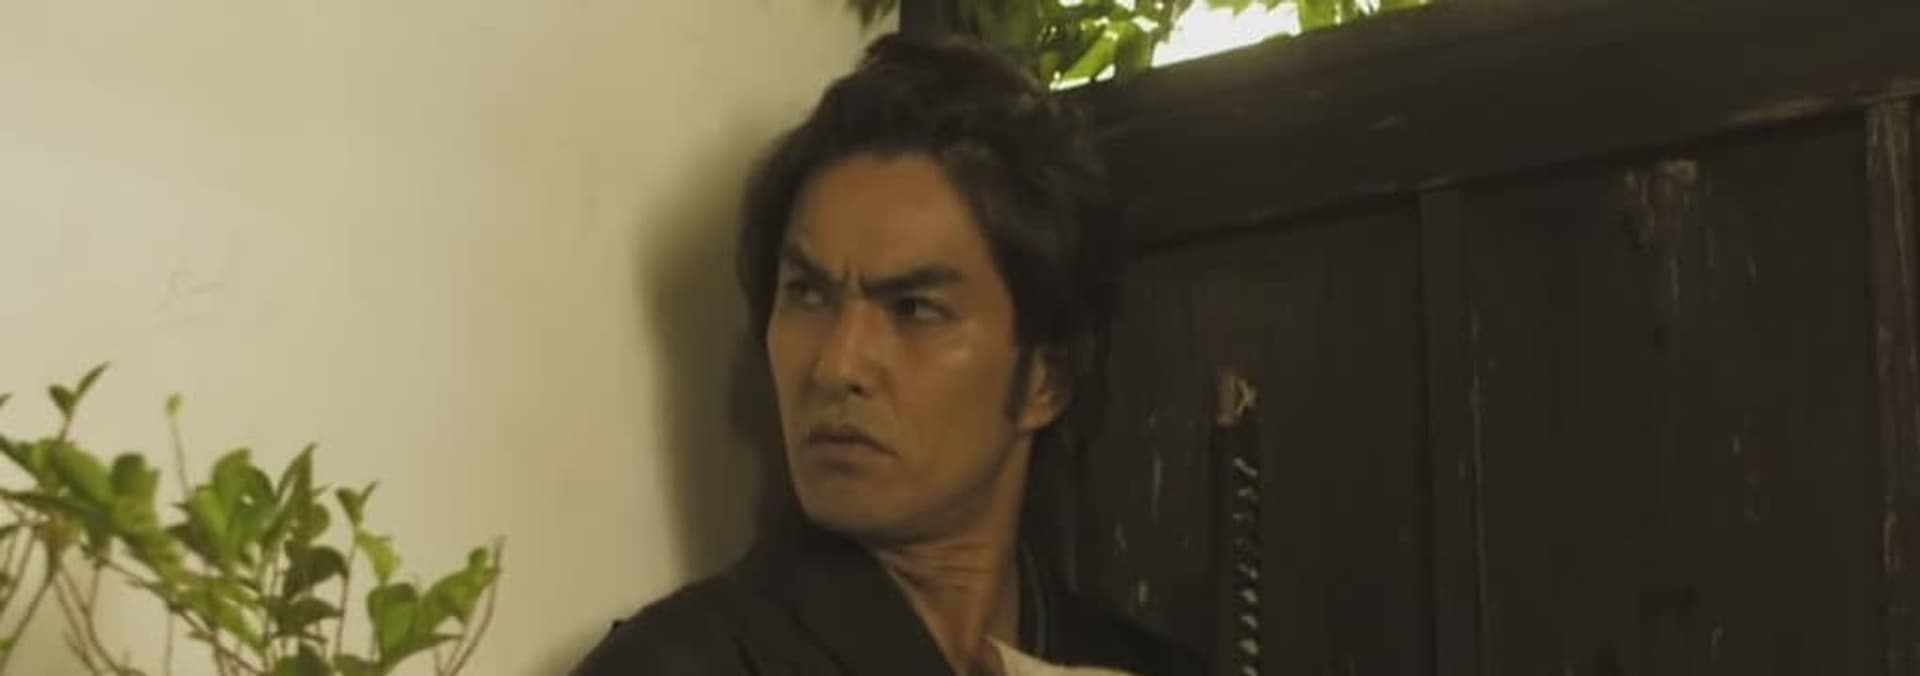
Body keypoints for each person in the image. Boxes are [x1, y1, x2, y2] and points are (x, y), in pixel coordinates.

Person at [574, 33, 1201, 676]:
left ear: (1048, 377)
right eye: (807, 293)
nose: (837, 366)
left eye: (914, 310)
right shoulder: (682, 663)